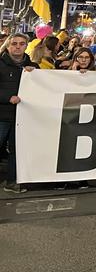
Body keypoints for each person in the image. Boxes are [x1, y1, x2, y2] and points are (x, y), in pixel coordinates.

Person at [0, 34, 35, 193]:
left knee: (17, 150)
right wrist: (8, 98)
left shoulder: (33, 68)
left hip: (22, 118)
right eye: (14, 44)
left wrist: (34, 74)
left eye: (21, 44)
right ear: (8, 46)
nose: (18, 46)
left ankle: (12, 181)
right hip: (2, 116)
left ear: (26, 46)